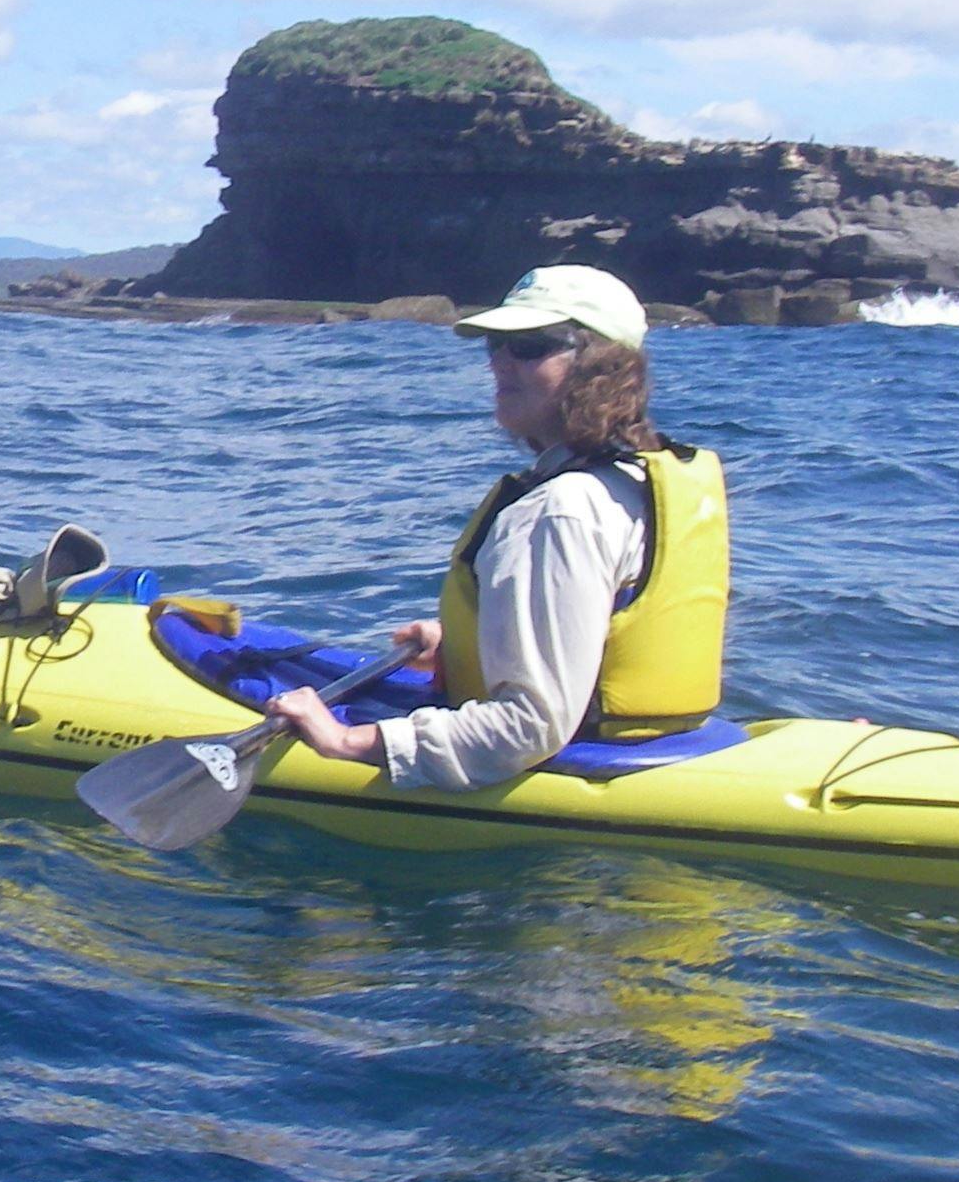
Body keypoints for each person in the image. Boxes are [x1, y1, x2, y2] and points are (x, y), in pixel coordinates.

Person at [264, 265, 727, 790]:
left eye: (530, 345)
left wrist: (346, 741)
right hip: (657, 740)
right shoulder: (635, 476)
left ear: (601, 367)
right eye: (496, 344)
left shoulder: (560, 511)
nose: (500, 361)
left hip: (579, 762)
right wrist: (468, 643)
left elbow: (529, 728)